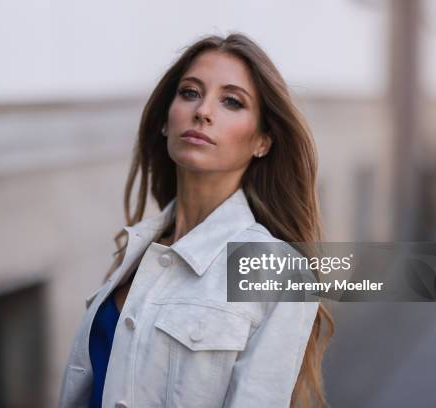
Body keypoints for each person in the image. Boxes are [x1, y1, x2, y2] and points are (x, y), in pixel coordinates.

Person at [58, 32, 334, 408]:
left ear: (262, 142)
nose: (203, 111)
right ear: (165, 122)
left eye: (232, 102)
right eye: (190, 93)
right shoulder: (137, 250)